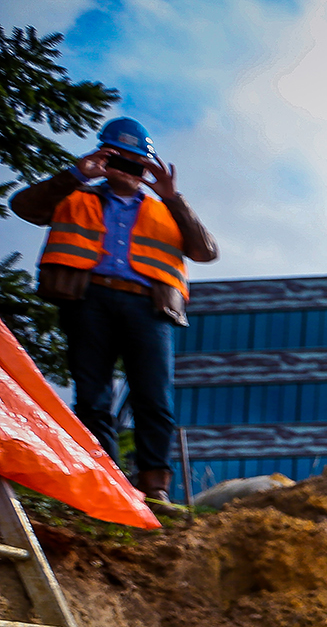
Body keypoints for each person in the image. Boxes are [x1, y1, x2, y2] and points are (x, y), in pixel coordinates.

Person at [9, 116, 218, 502]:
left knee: (153, 397)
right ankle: (108, 482)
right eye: (119, 159)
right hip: (87, 300)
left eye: (137, 164)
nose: (128, 169)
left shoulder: (165, 210)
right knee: (93, 396)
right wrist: (77, 174)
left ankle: (154, 486)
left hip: (148, 307)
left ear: (148, 168)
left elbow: (205, 251)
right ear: (103, 157)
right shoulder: (74, 196)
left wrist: (173, 197)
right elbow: (24, 206)